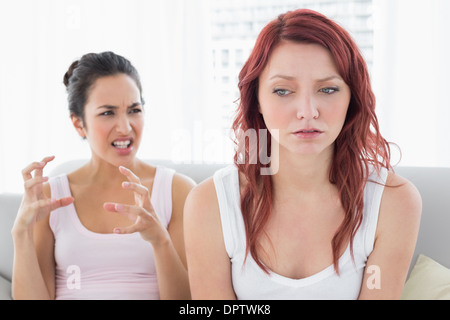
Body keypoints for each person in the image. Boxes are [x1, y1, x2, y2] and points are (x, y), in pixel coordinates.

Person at [184, 9, 422, 300]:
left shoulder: (393, 202)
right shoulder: (210, 203)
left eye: (328, 89)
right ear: (256, 99)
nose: (308, 112)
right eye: (283, 91)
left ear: (353, 97)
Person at [11, 51, 194, 300]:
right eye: (108, 113)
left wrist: (160, 241)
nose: (125, 127)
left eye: (134, 110)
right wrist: (21, 233)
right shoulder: (50, 196)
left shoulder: (178, 191)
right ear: (78, 123)